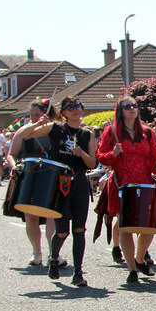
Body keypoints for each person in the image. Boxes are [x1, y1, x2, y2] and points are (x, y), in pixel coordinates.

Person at [20, 96, 98, 287]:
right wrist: (37, 124)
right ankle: (53, 258)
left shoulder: (88, 134)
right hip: (60, 182)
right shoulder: (55, 128)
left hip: (79, 181)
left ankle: (78, 273)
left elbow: (92, 163)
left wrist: (81, 153)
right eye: (70, 107)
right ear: (64, 112)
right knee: (62, 231)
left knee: (79, 229)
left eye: (78, 106)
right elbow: (24, 135)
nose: (75, 110)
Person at [96, 97, 156, 284]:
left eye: (134, 106)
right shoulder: (111, 133)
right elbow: (102, 157)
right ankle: (132, 269)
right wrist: (113, 154)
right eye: (127, 107)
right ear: (120, 111)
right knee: (124, 226)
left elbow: (155, 157)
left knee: (149, 225)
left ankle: (139, 258)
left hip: (144, 183)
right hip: (121, 184)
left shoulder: (147, 133)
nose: (132, 109)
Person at [7, 98, 59, 266]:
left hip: (50, 176)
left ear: (46, 114)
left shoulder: (54, 130)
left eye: (38, 115)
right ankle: (36, 251)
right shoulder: (23, 131)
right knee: (30, 216)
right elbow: (11, 153)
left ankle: (53, 253)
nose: (34, 118)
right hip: (28, 175)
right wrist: (14, 167)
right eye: (32, 115)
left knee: (51, 215)